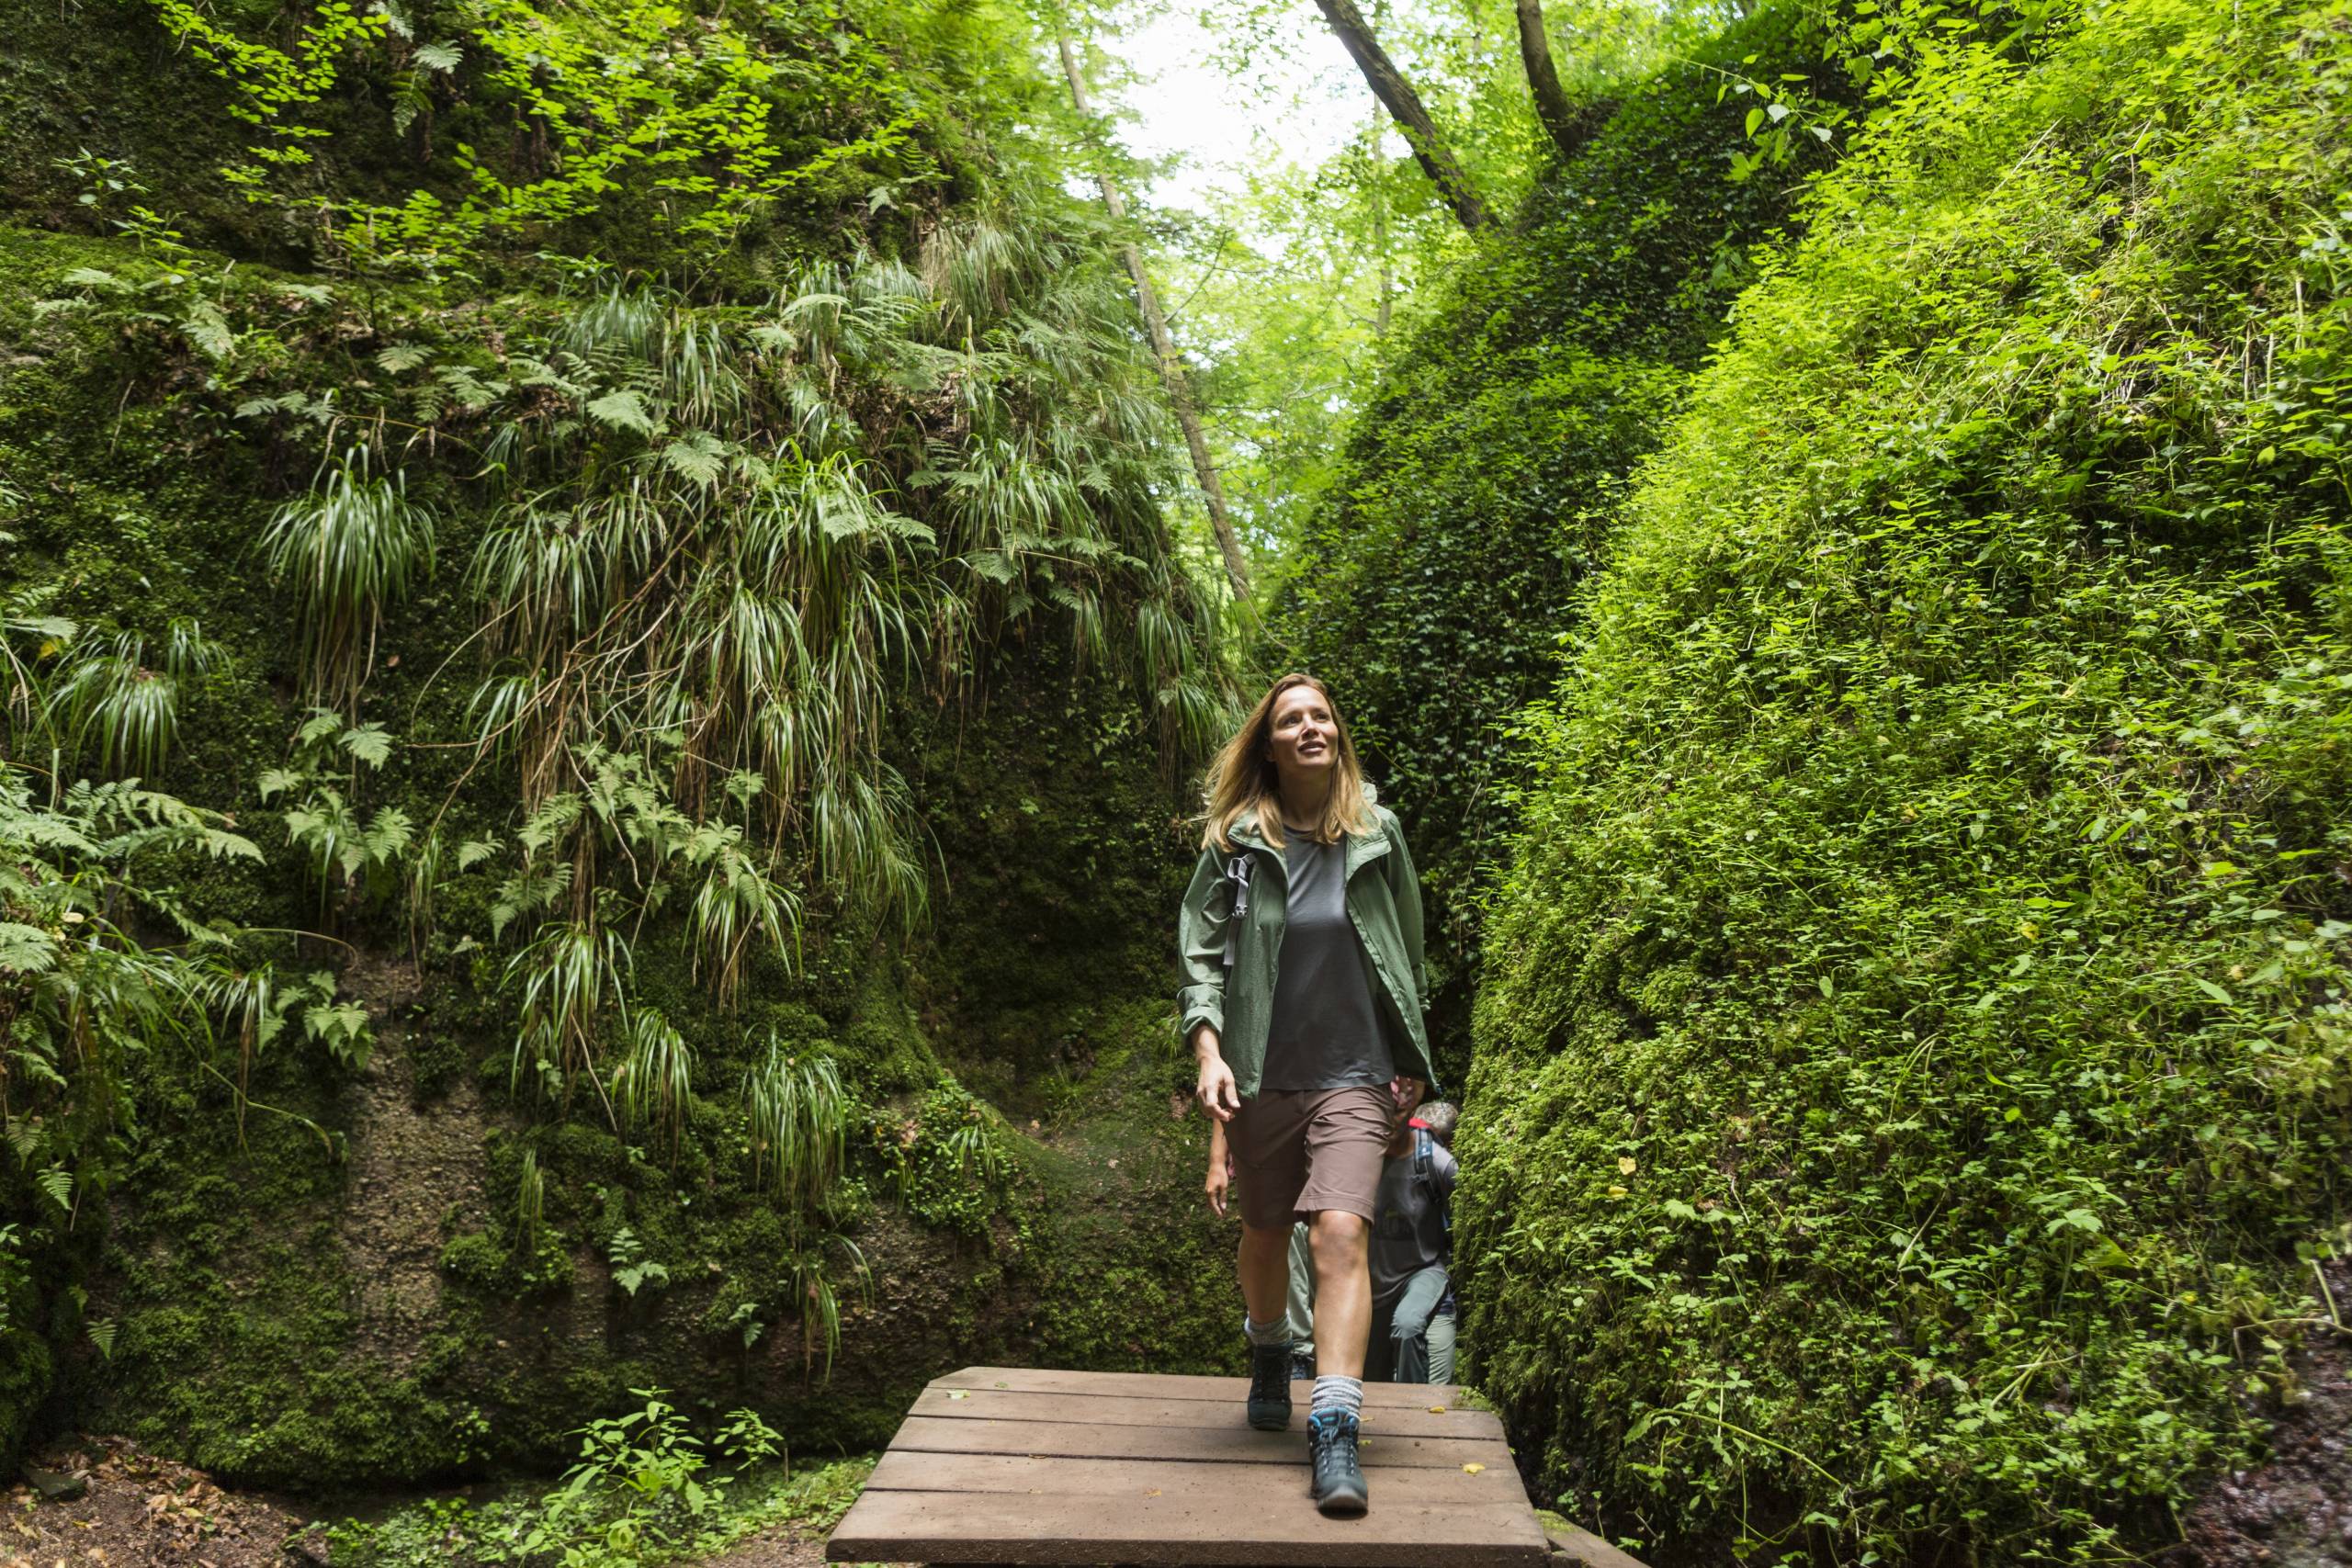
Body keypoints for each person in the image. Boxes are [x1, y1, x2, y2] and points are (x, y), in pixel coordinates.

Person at [1178, 671, 1438, 1517]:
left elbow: (1406, 949)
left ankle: (1334, 1426)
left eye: (1321, 714)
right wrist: (1209, 1053)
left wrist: (1409, 1063)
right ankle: (1266, 1348)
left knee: (1338, 1234)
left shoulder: (1378, 832)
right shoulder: (1235, 843)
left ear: (1337, 734)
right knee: (1263, 1234)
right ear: (1271, 742)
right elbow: (1202, 960)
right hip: (1259, 1073)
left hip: (1355, 1075)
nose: (1310, 727)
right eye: (1291, 719)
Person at [1205, 1120, 1316, 1380]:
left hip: (1323, 1170)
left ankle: (1330, 1369)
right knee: (1275, 1244)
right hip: (1271, 1167)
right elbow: (1231, 1092)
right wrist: (1216, 1161)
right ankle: (1292, 1354)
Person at [1366, 1100, 1457, 1385]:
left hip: (1424, 1269)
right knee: (1368, 1380)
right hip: (1372, 1284)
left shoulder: (1438, 1163)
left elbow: (1461, 1229)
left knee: (1407, 1325)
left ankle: (1412, 1406)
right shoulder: (1357, 1159)